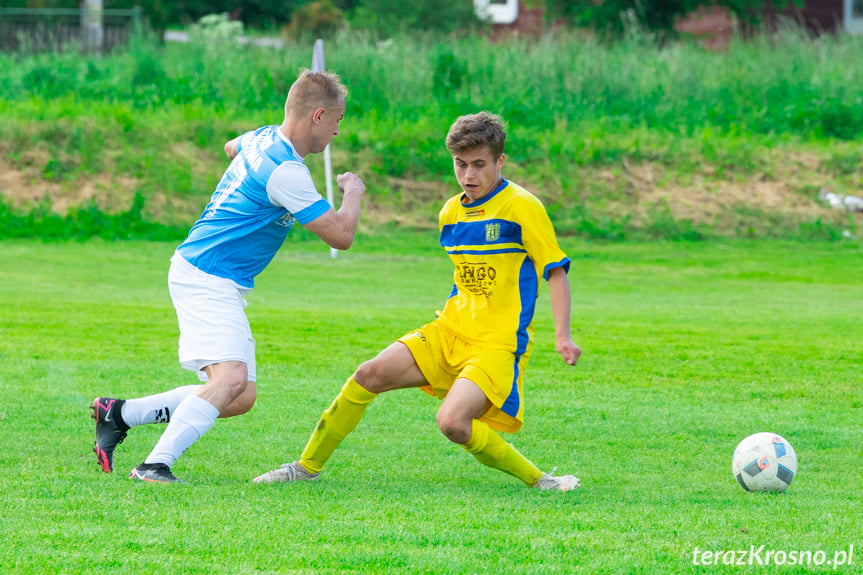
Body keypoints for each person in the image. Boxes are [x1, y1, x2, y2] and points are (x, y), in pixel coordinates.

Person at [253, 111, 582, 492]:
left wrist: (563, 336)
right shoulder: (450, 212)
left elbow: (555, 271)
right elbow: (465, 279)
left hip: (496, 343)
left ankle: (542, 480)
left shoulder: (522, 207)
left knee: (453, 423)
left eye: (479, 165)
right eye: (461, 165)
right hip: (449, 330)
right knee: (368, 374)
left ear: (500, 161)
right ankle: (305, 467)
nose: (469, 176)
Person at [90, 69, 365, 484]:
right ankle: (153, 466)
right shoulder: (286, 171)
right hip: (208, 275)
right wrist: (354, 192)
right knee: (231, 378)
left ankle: (122, 413)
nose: (338, 133)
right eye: (338, 120)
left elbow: (229, 146)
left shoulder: (262, 137)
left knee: (239, 396)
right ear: (319, 116)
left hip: (207, 271)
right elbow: (342, 236)